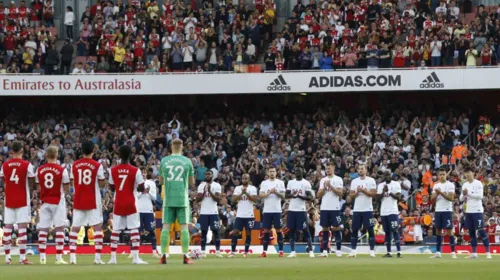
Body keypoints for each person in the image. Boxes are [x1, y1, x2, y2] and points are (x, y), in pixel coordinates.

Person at [108, 145, 148, 265]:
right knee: (134, 229)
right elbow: (141, 187)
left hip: (119, 201)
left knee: (115, 230)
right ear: (130, 155)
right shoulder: (135, 170)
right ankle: (135, 258)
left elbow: (111, 187)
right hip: (131, 201)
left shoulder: (113, 170)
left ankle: (113, 258)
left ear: (119, 155)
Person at [159, 138, 195, 265]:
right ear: (182, 146)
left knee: (165, 228)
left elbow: (161, 181)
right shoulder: (187, 161)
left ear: (170, 146)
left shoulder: (164, 161)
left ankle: (163, 256)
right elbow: (192, 183)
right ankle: (185, 256)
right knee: (184, 228)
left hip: (168, 198)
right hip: (182, 199)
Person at [69, 141, 106, 265]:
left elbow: (72, 182)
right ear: (93, 151)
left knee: (75, 228)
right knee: (97, 227)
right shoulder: (97, 165)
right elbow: (102, 184)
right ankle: (97, 258)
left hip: (79, 198)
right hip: (92, 199)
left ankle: (72, 257)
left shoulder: (74, 165)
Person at [0, 141, 36, 265]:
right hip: (22, 199)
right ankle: (22, 258)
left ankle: (7, 258)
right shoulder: (27, 165)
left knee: (8, 229)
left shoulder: (4, 165)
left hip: (9, 199)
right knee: (22, 229)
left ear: (12, 151)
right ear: (22, 151)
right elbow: (31, 182)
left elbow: (2, 180)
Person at [36, 145, 70, 265]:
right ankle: (58, 258)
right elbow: (66, 187)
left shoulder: (39, 169)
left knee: (43, 229)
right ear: (57, 155)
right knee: (59, 228)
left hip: (45, 201)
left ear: (46, 155)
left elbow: (38, 187)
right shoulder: (62, 170)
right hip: (58, 200)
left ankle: (42, 258)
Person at [460, 167, 492, 259]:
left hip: (477, 210)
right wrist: (463, 193)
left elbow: (480, 196)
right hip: (468, 211)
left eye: (469, 172)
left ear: (473, 173)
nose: (467, 174)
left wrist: (468, 193)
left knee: (481, 231)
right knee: (471, 232)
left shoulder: (478, 183)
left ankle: (488, 252)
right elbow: (461, 199)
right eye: (466, 173)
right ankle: (474, 253)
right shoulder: (465, 184)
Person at [348, 164, 377, 258]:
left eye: (362, 169)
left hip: (368, 209)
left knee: (370, 229)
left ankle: (372, 251)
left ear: (366, 170)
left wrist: (364, 191)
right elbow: (351, 196)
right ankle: (353, 250)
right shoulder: (354, 181)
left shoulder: (371, 180)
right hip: (357, 209)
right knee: (355, 229)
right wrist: (357, 192)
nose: (360, 170)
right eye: (359, 169)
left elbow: (373, 194)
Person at [285, 167, 314, 258]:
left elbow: (310, 198)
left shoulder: (306, 183)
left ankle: (311, 250)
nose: (297, 172)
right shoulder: (291, 182)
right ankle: (293, 251)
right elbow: (286, 195)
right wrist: (292, 195)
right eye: (296, 171)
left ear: (303, 172)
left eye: (299, 171)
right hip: (291, 209)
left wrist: (300, 196)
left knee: (305, 230)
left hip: (301, 210)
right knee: (292, 230)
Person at [317, 162, 344, 258]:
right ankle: (324, 251)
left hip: (335, 208)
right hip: (324, 208)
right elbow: (318, 195)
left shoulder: (338, 179)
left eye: (329, 168)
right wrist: (324, 187)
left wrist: (331, 186)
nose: (328, 170)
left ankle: (339, 250)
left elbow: (340, 193)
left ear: (333, 168)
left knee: (336, 228)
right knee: (325, 229)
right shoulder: (323, 180)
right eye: (326, 168)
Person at [229, 173, 258, 258]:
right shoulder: (238, 188)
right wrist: (242, 193)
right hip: (240, 215)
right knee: (235, 232)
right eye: (243, 178)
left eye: (246, 179)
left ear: (249, 180)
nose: (244, 180)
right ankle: (233, 252)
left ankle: (245, 252)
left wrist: (246, 193)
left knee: (248, 233)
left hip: (249, 215)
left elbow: (255, 200)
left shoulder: (252, 188)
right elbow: (233, 200)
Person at [259, 167, 286, 258]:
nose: (272, 173)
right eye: (270, 171)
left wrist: (276, 192)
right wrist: (270, 193)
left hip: (277, 210)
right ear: (268, 172)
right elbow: (261, 195)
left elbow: (283, 196)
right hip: (267, 210)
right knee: (266, 230)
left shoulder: (280, 183)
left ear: (276, 173)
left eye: (273, 171)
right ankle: (264, 251)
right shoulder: (264, 183)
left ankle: (281, 251)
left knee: (278, 230)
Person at [430, 168, 456, 259]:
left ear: (446, 175)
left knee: (449, 231)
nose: (442, 176)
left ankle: (453, 252)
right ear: (438, 175)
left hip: (447, 210)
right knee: (438, 230)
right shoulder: (436, 185)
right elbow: (432, 198)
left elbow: (451, 198)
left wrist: (440, 192)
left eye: (443, 174)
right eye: (440, 174)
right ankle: (438, 252)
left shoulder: (450, 185)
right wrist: (437, 193)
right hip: (438, 210)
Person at [195, 170, 222, 258]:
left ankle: (218, 252)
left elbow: (218, 199)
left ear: (212, 175)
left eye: (209, 174)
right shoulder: (201, 185)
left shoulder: (216, 185)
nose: (207, 175)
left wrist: (210, 191)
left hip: (214, 212)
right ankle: (203, 252)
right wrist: (204, 192)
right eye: (206, 174)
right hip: (204, 213)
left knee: (216, 232)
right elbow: (197, 199)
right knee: (203, 232)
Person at [377, 170, 402, 258]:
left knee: (395, 230)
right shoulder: (380, 185)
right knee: (387, 232)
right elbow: (377, 199)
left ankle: (399, 251)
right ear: (384, 176)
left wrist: (390, 192)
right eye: (386, 175)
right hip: (383, 212)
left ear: (391, 175)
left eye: (389, 175)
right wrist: (383, 192)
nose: (387, 176)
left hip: (393, 211)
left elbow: (399, 197)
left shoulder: (396, 184)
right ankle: (389, 252)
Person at [137, 167, 160, 258]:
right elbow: (135, 197)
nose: (143, 174)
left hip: (148, 210)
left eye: (144, 172)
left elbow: (154, 198)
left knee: (151, 231)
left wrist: (148, 192)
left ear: (147, 174)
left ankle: (154, 252)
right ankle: (133, 252)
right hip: (138, 210)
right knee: (136, 231)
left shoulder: (151, 183)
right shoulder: (136, 183)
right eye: (141, 172)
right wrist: (142, 191)